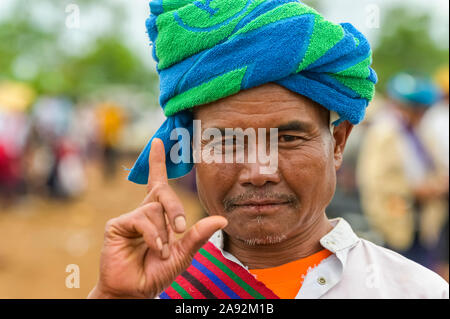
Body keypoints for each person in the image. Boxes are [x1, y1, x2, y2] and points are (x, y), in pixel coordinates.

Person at [88, 1, 448, 299]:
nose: (259, 172)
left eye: (288, 139)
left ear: (337, 143)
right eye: (226, 142)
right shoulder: (154, 288)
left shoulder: (414, 291)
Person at [357, 73, 448, 273]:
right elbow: (374, 180)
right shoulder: (384, 132)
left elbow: (434, 166)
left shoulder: (421, 132)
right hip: (395, 220)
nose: (419, 114)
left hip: (423, 221)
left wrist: (437, 185)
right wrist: (415, 190)